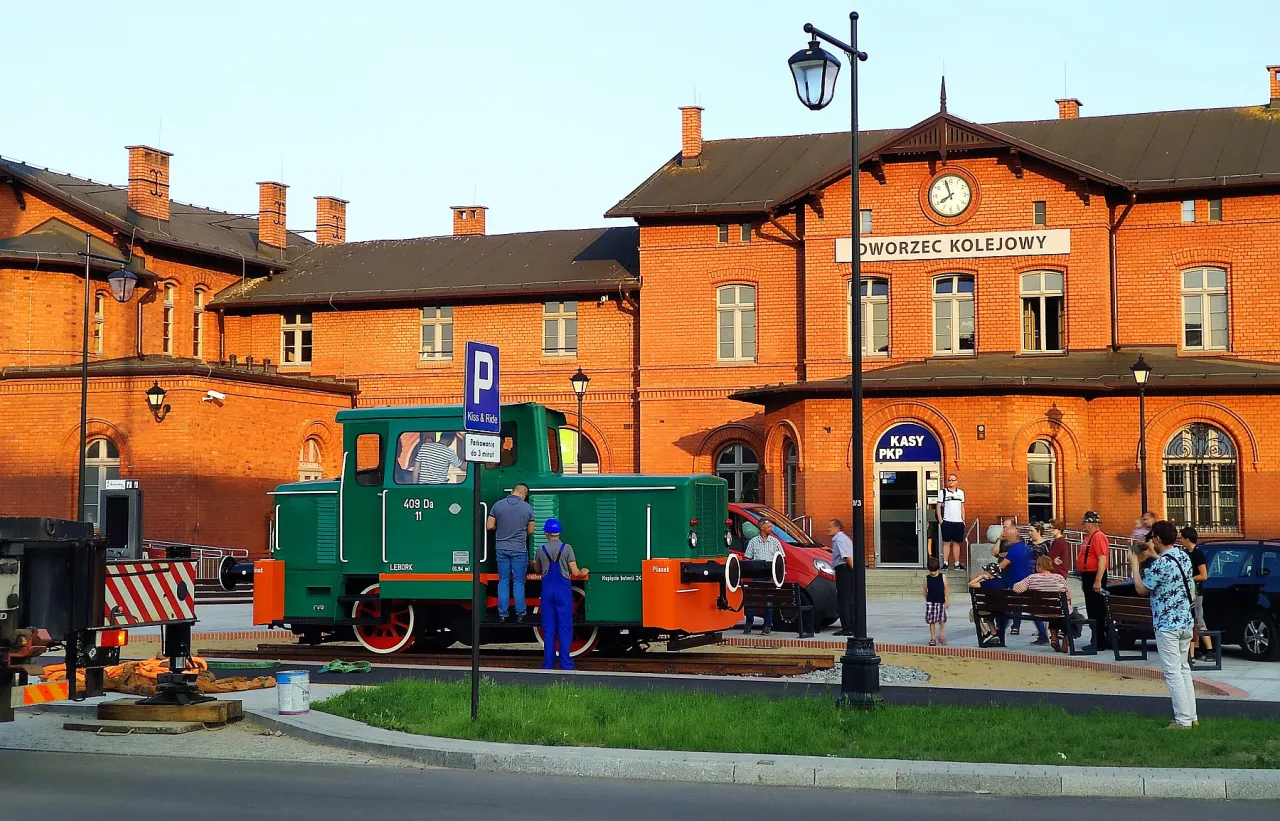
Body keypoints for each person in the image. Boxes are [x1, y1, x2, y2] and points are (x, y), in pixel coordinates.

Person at [1130, 520, 1199, 729]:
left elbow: (1142, 589)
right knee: (1184, 669)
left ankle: (1182, 720)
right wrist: (1153, 554)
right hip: (1185, 622)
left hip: (1167, 625)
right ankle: (1192, 716)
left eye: (1152, 538)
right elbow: (1170, 570)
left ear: (1158, 539)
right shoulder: (1182, 556)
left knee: (1172, 672)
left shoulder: (1160, 564)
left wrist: (1135, 562)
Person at [535, 518, 587, 671]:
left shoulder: (541, 550)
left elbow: (538, 570)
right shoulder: (567, 548)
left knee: (549, 629)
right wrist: (583, 571)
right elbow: (576, 572)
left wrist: (533, 563)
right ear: (559, 532)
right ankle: (566, 664)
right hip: (563, 591)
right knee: (565, 628)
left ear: (546, 533)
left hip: (547, 592)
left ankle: (548, 664)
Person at [487, 482, 535, 623]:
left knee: (503, 581)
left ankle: (502, 614)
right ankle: (521, 615)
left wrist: (501, 528)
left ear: (513, 491)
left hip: (501, 548)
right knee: (519, 582)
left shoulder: (498, 505)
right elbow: (531, 531)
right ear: (524, 494)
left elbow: (489, 526)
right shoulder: (527, 508)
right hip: (519, 549)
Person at [1012, 555, 1073, 652]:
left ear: (1039, 566)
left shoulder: (1032, 578)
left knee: (1052, 611)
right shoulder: (1059, 578)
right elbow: (1068, 595)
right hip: (1058, 611)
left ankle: (1054, 638)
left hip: (1039, 611)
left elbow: (1016, 589)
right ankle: (1066, 637)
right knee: (1066, 613)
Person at [1000, 522, 1046, 643]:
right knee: (1032, 610)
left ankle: (999, 633)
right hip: (1028, 582)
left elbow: (1002, 566)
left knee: (1008, 609)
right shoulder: (1026, 547)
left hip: (1018, 584)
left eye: (1006, 536)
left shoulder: (1015, 549)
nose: (1005, 538)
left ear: (1012, 536)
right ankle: (1043, 635)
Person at [743, 518, 784, 635]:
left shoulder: (775, 542)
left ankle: (767, 625)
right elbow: (747, 558)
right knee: (753, 601)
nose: (771, 529)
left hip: (769, 575)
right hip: (756, 573)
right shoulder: (753, 542)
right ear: (762, 528)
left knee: (768, 601)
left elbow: (782, 558)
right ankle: (749, 624)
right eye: (769, 527)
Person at [1077, 511, 1111, 652]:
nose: (1083, 525)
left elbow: (1102, 559)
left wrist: (1097, 581)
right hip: (1088, 575)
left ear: (1091, 523)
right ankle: (1097, 639)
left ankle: (1098, 641)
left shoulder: (1098, 537)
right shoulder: (1089, 537)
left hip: (1094, 576)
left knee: (1096, 610)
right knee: (1092, 609)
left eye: (1085, 522)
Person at [1179, 526, 1214, 662]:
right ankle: (1197, 649)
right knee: (1194, 620)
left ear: (1187, 539)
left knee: (1199, 619)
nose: (1180, 540)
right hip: (1190, 592)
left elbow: (1204, 575)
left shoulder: (1198, 554)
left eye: (1181, 537)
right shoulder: (1187, 553)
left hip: (1197, 591)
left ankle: (1210, 649)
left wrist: (1188, 579)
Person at [828, 519, 855, 637]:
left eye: (830, 527)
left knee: (843, 599)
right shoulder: (843, 538)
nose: (828, 529)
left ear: (837, 527)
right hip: (845, 570)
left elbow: (847, 557)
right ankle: (850, 625)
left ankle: (847, 627)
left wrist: (854, 572)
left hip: (844, 570)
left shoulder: (839, 539)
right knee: (847, 598)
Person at [967, 563, 1005, 646]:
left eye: (985, 571)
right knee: (988, 613)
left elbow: (970, 584)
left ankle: (985, 633)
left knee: (973, 612)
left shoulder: (987, 583)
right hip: (1003, 609)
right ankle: (994, 633)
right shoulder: (1002, 582)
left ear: (989, 573)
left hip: (990, 609)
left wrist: (981, 577)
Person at [936, 473, 966, 570]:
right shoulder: (943, 492)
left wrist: (963, 520)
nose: (951, 482)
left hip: (958, 522)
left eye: (953, 480)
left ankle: (956, 563)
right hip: (947, 521)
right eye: (949, 480)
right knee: (946, 542)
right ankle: (945, 563)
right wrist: (941, 520)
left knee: (957, 543)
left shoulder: (961, 492)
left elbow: (962, 507)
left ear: (957, 481)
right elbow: (938, 506)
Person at [923, 557, 949, 646]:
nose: (933, 573)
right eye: (931, 571)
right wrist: (927, 599)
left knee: (942, 620)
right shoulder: (927, 578)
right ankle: (933, 638)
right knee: (931, 621)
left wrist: (947, 601)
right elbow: (925, 590)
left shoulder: (942, 576)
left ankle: (941, 635)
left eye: (934, 571)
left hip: (941, 601)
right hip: (931, 602)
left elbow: (946, 589)